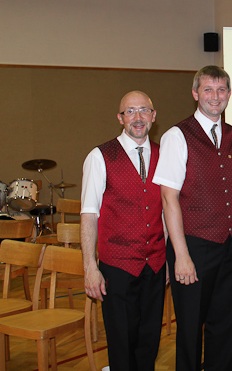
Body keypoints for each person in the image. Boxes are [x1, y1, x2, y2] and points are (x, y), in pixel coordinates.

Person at [152, 66, 232, 371]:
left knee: (226, 327)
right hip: (193, 246)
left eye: (221, 90)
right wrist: (180, 256)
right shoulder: (176, 136)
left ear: (229, 94)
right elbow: (169, 199)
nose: (215, 97)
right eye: (208, 89)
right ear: (195, 94)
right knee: (191, 330)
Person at [81, 90, 166, 371]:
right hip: (117, 267)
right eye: (130, 111)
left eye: (144, 110)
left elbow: (168, 211)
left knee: (149, 342)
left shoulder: (165, 155)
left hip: (155, 264)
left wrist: (170, 257)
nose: (137, 117)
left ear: (153, 116)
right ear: (120, 118)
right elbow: (89, 214)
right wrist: (90, 267)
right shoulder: (100, 157)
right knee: (121, 345)